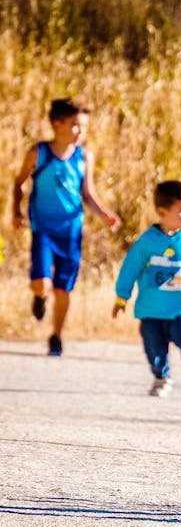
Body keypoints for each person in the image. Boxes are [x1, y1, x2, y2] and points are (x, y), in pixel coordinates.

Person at [11, 98, 122, 356]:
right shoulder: (39, 153)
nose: (80, 131)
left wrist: (105, 214)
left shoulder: (84, 156)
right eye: (75, 125)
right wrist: (16, 211)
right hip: (43, 230)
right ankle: (39, 297)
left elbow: (88, 193)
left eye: (83, 127)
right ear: (56, 124)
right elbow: (18, 184)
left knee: (63, 288)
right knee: (41, 283)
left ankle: (56, 336)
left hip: (71, 232)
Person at [112, 181, 181, 397]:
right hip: (151, 309)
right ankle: (161, 378)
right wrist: (121, 297)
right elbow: (130, 268)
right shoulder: (147, 241)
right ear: (162, 212)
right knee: (154, 348)